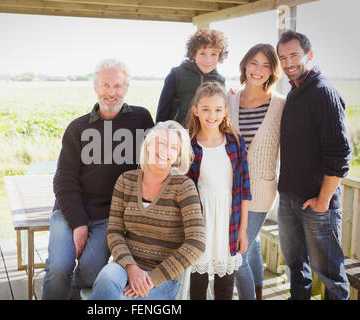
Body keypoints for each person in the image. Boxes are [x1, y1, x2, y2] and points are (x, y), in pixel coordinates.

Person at [42, 58, 154, 300]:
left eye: (118, 86)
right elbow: (63, 181)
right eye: (105, 86)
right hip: (69, 210)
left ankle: (72, 295)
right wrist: (79, 223)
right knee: (58, 267)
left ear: (126, 88)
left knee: (92, 271)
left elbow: (156, 161)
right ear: (95, 87)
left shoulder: (142, 120)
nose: (111, 93)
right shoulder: (78, 128)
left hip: (109, 215)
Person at [89, 121, 206, 300]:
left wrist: (152, 279)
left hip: (164, 277)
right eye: (162, 143)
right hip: (125, 266)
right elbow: (114, 232)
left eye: (174, 147)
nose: (166, 151)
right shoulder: (125, 181)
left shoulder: (184, 187)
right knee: (106, 280)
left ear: (178, 156)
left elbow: (196, 243)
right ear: (149, 144)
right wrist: (131, 268)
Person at [276, 31, 352, 300]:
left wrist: (323, 200)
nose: (288, 63)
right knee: (297, 268)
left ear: (309, 55)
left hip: (318, 204)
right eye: (282, 58)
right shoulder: (296, 92)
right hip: (289, 199)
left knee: (330, 275)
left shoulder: (322, 91)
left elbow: (341, 153)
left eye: (294, 55)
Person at [227, 43, 285, 300]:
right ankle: (259, 290)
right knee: (251, 247)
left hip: (260, 191)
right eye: (254, 63)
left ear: (273, 71)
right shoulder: (228, 100)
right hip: (229, 189)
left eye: (265, 65)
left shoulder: (281, 105)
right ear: (245, 65)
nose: (258, 70)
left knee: (237, 255)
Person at [186, 82, 251, 300]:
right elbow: (185, 191)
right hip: (201, 220)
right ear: (196, 110)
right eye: (205, 109)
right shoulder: (190, 145)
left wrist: (243, 230)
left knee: (225, 285)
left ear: (225, 112)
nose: (211, 115)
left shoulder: (234, 142)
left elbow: (245, 189)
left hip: (228, 220)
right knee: (197, 283)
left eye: (217, 109)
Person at [155, 29, 228, 126]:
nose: (208, 60)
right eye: (202, 53)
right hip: (178, 134)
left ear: (220, 56)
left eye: (214, 54)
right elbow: (162, 111)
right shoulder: (176, 75)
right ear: (193, 54)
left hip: (204, 138)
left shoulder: (220, 81)